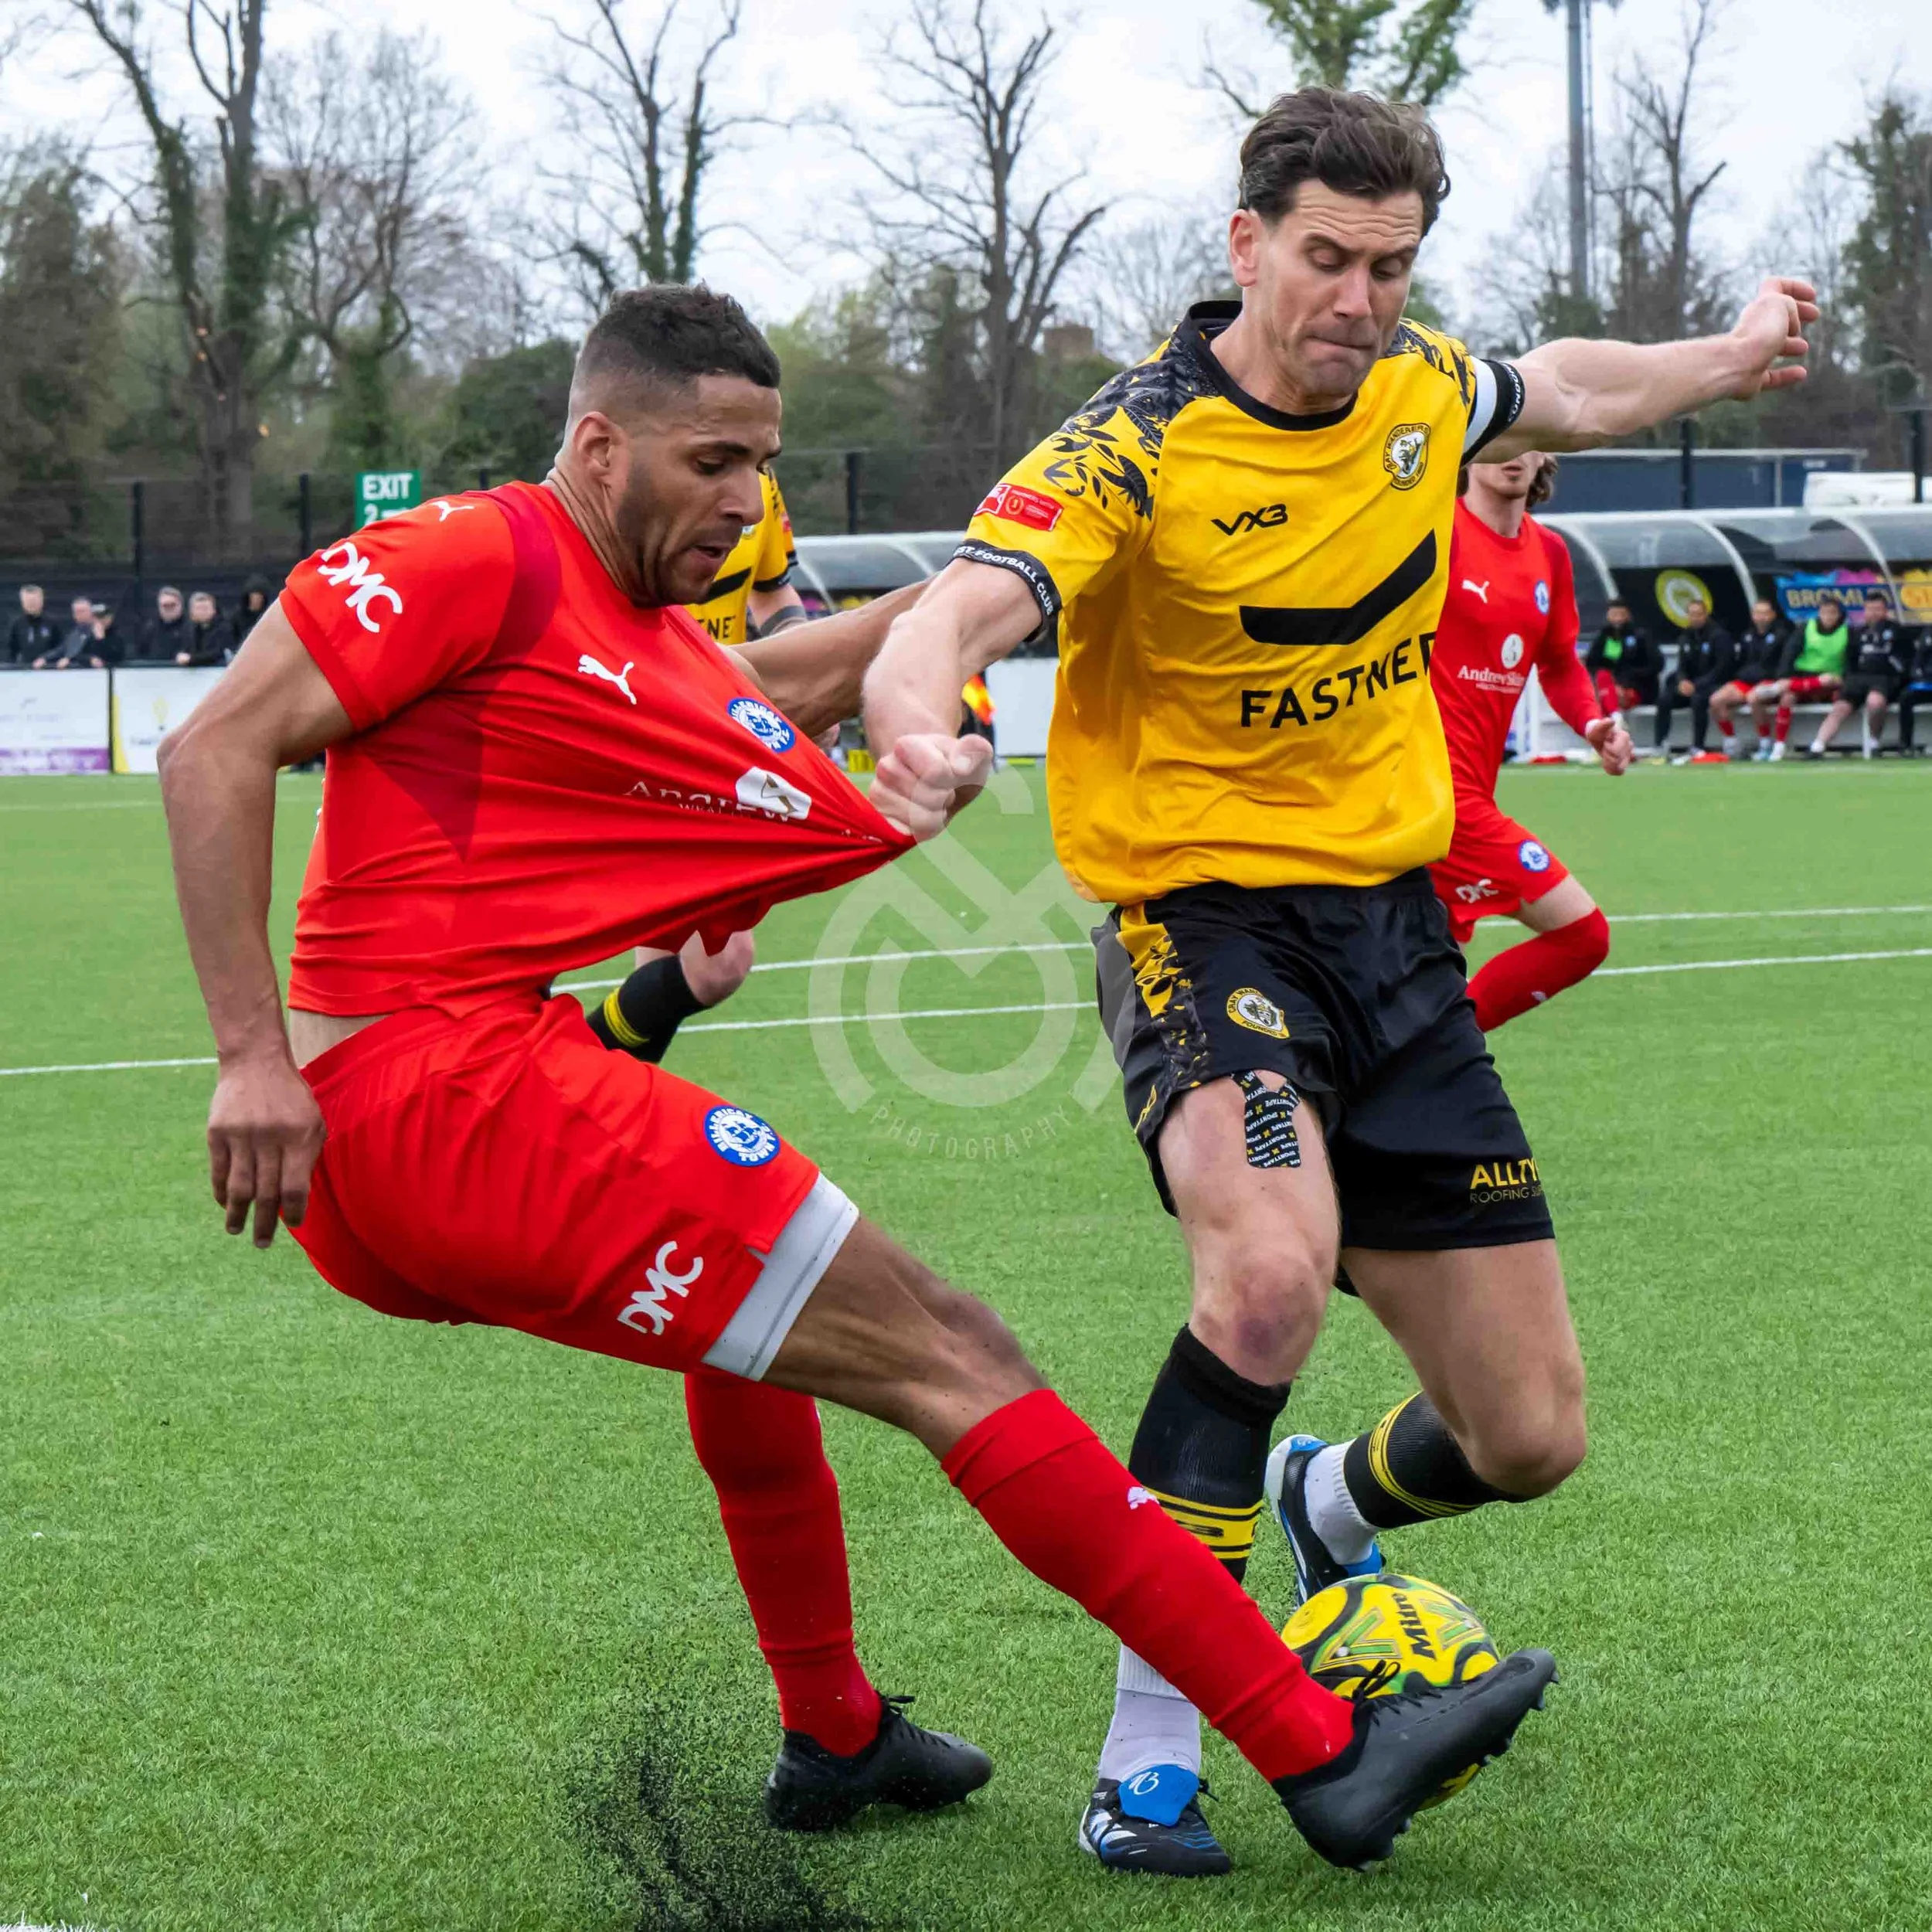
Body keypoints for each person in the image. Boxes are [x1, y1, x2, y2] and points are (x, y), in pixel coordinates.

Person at [157, 284, 1550, 1874]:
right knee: (952, 1346)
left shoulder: (633, 633)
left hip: (433, 1129)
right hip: (446, 1103)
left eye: (762, 461)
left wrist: (1025, 594)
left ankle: (832, 1731)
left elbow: (781, 681)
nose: (745, 499)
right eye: (711, 459)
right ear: (599, 444)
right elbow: (213, 745)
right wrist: (249, 1057)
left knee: (745, 1338)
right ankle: (1321, 1749)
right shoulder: (475, 550)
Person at [862, 85, 1815, 1876]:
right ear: (1245, 246)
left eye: (1391, 265)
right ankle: (1147, 1760)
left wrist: (1729, 351)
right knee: (1269, 1271)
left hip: (1396, 942)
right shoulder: (1130, 448)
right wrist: (921, 718)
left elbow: (1575, 385)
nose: (1362, 298)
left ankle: (1319, 1494)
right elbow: (960, 607)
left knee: (1525, 1437)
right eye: (1326, 259)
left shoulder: (1421, 389)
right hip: (1203, 929)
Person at [1427, 454, 1628, 1031]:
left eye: (1529, 439)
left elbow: (1560, 662)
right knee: (1583, 935)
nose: (1513, 453)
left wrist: (1591, 725)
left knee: (1417, 976)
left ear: (1546, 454)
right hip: (1432, 792)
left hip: (1470, 795)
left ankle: (1411, 1070)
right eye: (1498, 438)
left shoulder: (1551, 553)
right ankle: (1446, 1050)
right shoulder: (1432, 529)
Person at [684, 467, 805, 644]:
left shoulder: (761, 473)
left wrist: (800, 644)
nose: (755, 513)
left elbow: (772, 594)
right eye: (711, 462)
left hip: (728, 669)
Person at [1805, 587, 1907, 758]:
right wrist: (1847, 679)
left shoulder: (1898, 631)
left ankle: (1874, 742)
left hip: (1884, 679)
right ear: (1864, 611)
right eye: (1870, 609)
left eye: (1878, 609)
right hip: (1858, 679)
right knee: (1840, 707)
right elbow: (1849, 660)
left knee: (1875, 702)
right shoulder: (1856, 632)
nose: (1874, 613)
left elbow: (1905, 661)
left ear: (1885, 610)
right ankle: (1818, 746)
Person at [1757, 593, 1848, 760]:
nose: (1828, 616)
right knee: (1787, 698)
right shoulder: (1806, 628)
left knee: (1826, 680)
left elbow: (1851, 661)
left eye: (1832, 613)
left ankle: (1780, 687)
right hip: (1805, 678)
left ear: (1839, 615)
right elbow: (1789, 653)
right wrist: (1784, 676)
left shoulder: (1847, 632)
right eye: (1824, 612)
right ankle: (1779, 745)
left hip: (1832, 681)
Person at [1656, 598, 1734, 762]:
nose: (1695, 618)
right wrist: (1683, 681)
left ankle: (1698, 746)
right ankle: (1660, 745)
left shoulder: (1719, 636)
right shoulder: (1685, 637)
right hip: (1690, 685)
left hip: (1714, 685)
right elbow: (1681, 666)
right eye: (1692, 615)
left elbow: (1722, 669)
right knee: (1665, 699)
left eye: (1699, 614)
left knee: (1698, 700)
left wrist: (1696, 685)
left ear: (1706, 614)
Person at [1713, 597, 1790, 760]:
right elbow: (1740, 661)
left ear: (1772, 615)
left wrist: (1777, 680)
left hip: (1770, 682)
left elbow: (1784, 663)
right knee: (1716, 700)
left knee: (1754, 697)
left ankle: (1765, 743)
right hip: (1746, 681)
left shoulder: (1782, 635)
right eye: (1757, 613)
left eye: (1764, 613)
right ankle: (1732, 743)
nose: (1761, 617)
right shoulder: (1746, 635)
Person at [1583, 599, 1658, 719]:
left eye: (1621, 615)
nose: (1618, 619)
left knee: (1607, 697)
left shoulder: (1641, 636)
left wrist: (1624, 684)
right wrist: (1614, 685)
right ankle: (1616, 719)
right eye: (1614, 615)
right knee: (1603, 678)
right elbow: (1593, 664)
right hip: (1610, 687)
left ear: (1628, 615)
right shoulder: (1604, 636)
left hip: (1637, 687)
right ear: (1608, 616)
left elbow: (1656, 664)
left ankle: (1613, 722)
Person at [1899, 620, 1932, 755]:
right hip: (1928, 683)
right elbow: (1919, 660)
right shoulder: (1929, 631)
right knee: (1906, 697)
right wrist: (1919, 674)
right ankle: (1906, 745)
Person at [178, 589, 236, 666]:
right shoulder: (189, 630)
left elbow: (218, 653)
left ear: (214, 610)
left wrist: (191, 659)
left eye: (205, 608)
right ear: (191, 612)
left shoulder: (224, 628)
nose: (202, 612)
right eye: (198, 609)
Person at [8, 583, 61, 665]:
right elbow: (11, 651)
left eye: (34, 601)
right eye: (28, 601)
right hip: (23, 671)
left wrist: (46, 659)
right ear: (22, 602)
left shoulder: (52, 623)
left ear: (41, 601)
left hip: (49, 670)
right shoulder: (17, 624)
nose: (31, 604)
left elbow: (60, 648)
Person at [147, 586, 190, 662]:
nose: (169, 608)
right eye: (165, 605)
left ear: (181, 605)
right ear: (159, 607)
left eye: (172, 605)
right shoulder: (150, 628)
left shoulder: (192, 628)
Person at [233, 578, 271, 643]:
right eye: (254, 595)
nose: (256, 599)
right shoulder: (237, 617)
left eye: (259, 596)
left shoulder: (268, 615)